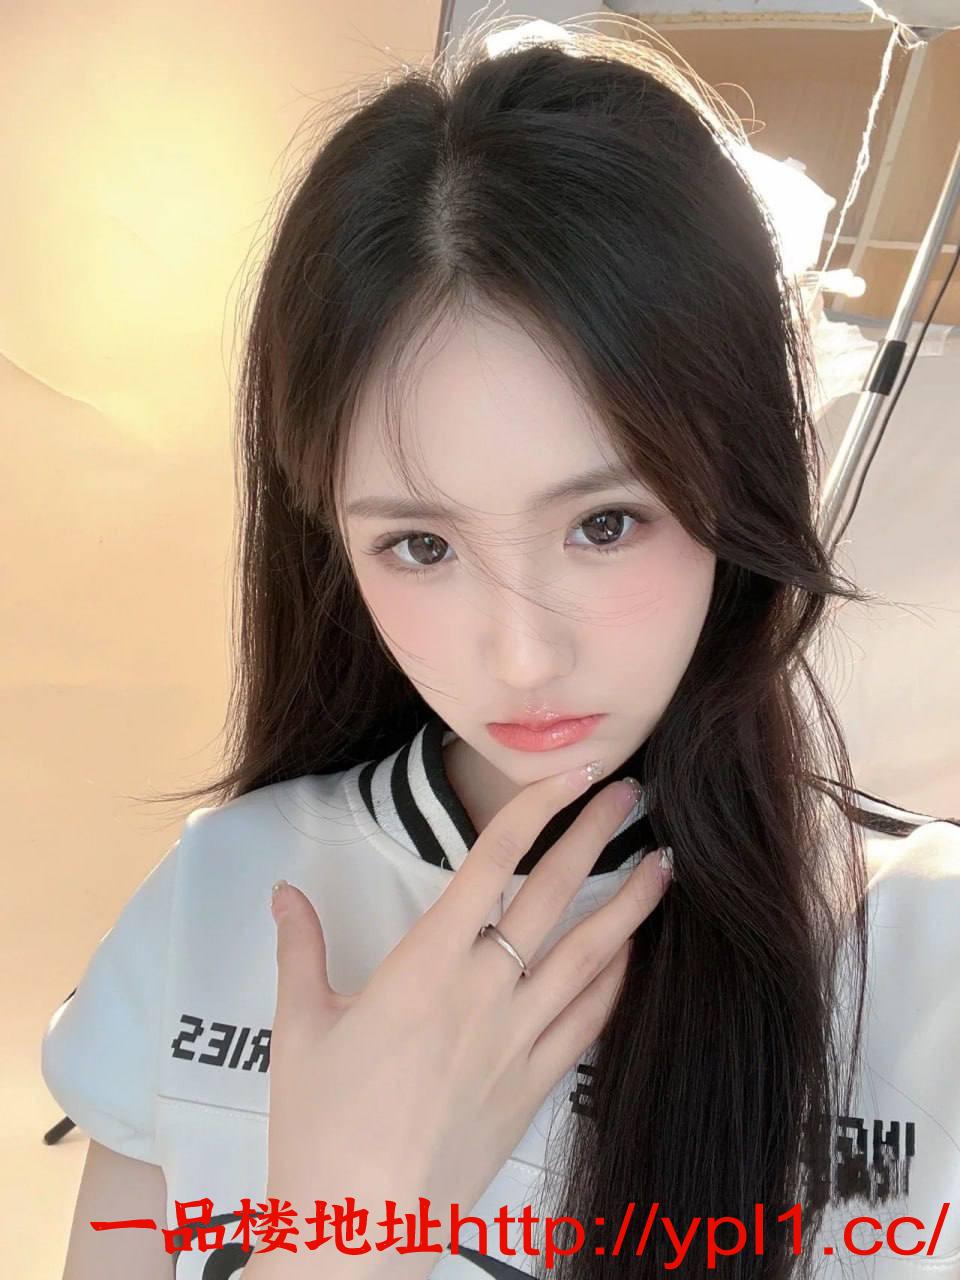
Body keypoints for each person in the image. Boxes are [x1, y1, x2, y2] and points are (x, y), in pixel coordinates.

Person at [40, 16, 960, 1280]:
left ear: (740, 484)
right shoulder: (224, 894)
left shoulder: (926, 954)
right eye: (420, 544)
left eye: (604, 523)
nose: (522, 657)